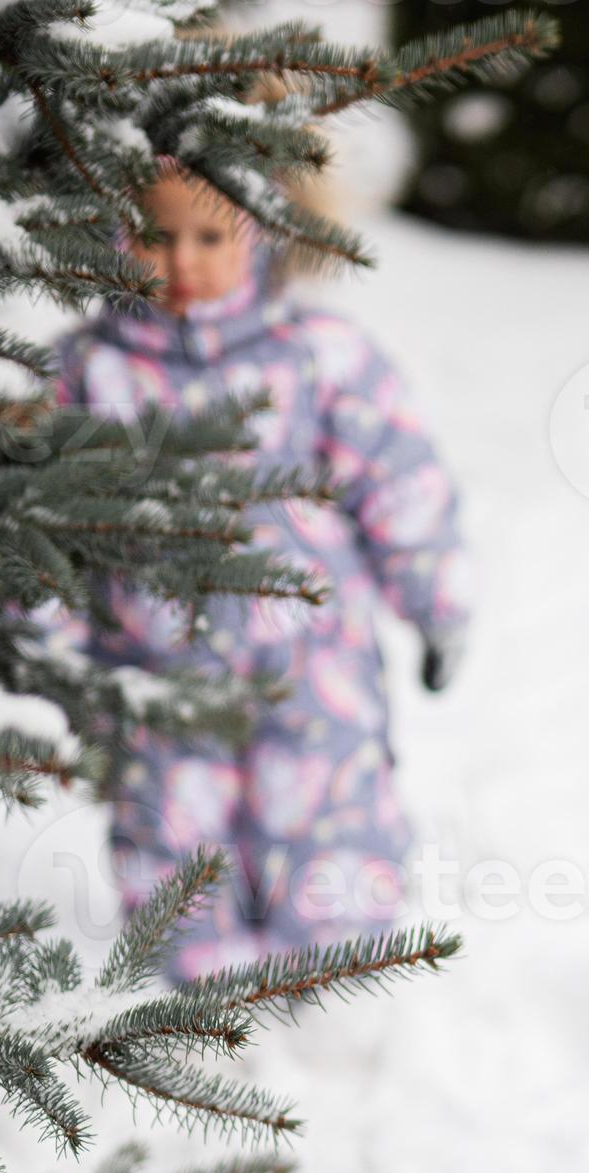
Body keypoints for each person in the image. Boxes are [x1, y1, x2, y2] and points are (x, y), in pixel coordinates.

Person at [54, 162, 470, 979]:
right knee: (170, 832)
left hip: (312, 659)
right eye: (153, 236)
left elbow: (401, 478)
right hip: (154, 670)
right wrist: (38, 642)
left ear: (263, 235)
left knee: (329, 813)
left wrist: (438, 602)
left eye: (211, 237)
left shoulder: (316, 356)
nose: (182, 264)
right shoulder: (86, 373)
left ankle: (330, 977)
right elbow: (43, 531)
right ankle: (197, 1005)